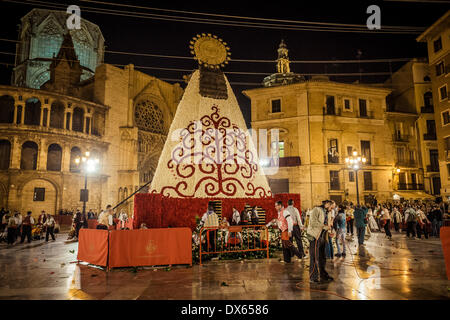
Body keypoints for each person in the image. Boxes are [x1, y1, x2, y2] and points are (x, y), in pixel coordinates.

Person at [307, 200, 334, 283]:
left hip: (323, 237)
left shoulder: (328, 212)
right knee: (314, 256)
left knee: (322, 257)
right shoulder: (316, 210)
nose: (332, 209)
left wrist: (330, 232)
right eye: (331, 206)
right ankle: (313, 277)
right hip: (314, 236)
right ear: (326, 204)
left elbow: (328, 224)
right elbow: (313, 223)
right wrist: (325, 227)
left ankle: (323, 275)